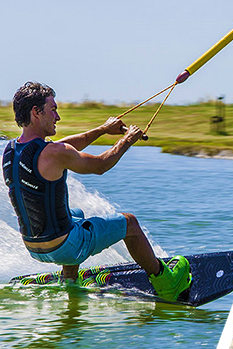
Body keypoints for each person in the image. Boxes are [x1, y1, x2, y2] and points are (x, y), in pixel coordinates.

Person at [2, 81, 190, 301]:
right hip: (66, 246)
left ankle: (71, 283)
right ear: (37, 112)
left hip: (34, 247)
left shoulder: (13, 150)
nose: (58, 117)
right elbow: (100, 165)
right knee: (130, 223)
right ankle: (166, 282)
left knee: (77, 214)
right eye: (53, 110)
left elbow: (66, 146)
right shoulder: (54, 153)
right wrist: (127, 139)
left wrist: (102, 130)